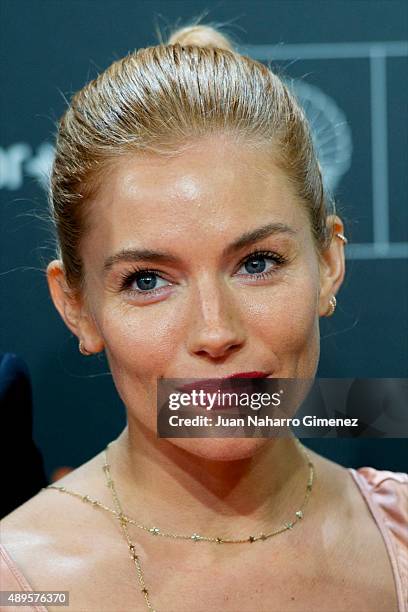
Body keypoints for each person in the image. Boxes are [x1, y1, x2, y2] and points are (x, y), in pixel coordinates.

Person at [1, 24, 407, 612]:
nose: (215, 332)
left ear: (329, 261)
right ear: (77, 307)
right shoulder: (20, 585)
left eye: (258, 263)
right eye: (148, 280)